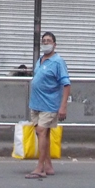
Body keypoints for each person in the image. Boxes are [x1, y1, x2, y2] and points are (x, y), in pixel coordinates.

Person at [25, 32, 70, 179]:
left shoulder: (58, 62)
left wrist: (63, 107)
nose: (46, 43)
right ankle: (48, 166)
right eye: (44, 41)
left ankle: (40, 168)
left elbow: (66, 84)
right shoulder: (40, 60)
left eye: (49, 41)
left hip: (49, 105)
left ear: (55, 44)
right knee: (43, 134)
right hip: (36, 103)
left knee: (41, 131)